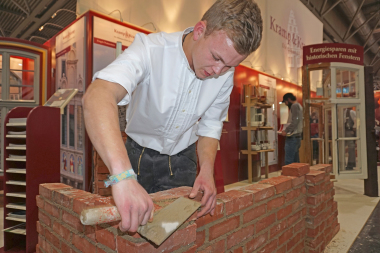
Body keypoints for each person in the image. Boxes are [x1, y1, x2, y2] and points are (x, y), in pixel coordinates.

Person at [83, 0, 263, 233]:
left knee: (172, 232)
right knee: (134, 230)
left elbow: (210, 125)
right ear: (199, 31)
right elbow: (97, 96)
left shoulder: (223, 75)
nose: (218, 72)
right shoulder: (151, 49)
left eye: (229, 66)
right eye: (216, 58)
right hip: (137, 156)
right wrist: (123, 178)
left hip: (183, 160)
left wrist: (206, 171)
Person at [281, 93, 303, 165]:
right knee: (295, 162)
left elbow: (295, 121)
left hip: (292, 137)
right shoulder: (299, 106)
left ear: (289, 99)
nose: (286, 104)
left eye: (286, 102)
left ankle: (288, 176)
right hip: (297, 137)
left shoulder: (294, 106)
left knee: (289, 161)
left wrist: (286, 130)